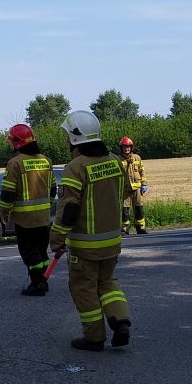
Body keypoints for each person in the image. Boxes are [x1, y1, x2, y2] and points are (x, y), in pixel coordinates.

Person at [50, 111, 132, 351]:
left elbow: (69, 211)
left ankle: (94, 338)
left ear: (76, 137)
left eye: (67, 135)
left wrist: (56, 238)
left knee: (84, 290)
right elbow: (125, 192)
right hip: (112, 242)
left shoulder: (76, 167)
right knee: (107, 283)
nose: (66, 139)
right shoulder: (115, 161)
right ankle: (121, 321)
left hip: (84, 247)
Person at [0, 123, 54, 295]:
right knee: (42, 252)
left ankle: (37, 284)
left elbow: (8, 193)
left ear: (17, 142)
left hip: (25, 220)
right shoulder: (46, 161)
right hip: (44, 218)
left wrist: (4, 212)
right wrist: (47, 206)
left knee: (30, 254)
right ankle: (43, 281)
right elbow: (53, 189)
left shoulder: (15, 163)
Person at [117, 136, 148, 234]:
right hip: (125, 189)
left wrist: (144, 184)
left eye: (128, 147)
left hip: (137, 189)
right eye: (124, 147)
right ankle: (125, 228)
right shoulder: (118, 159)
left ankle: (141, 227)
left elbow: (141, 171)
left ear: (131, 147)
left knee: (139, 208)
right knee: (125, 210)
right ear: (121, 148)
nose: (126, 149)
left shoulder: (137, 158)